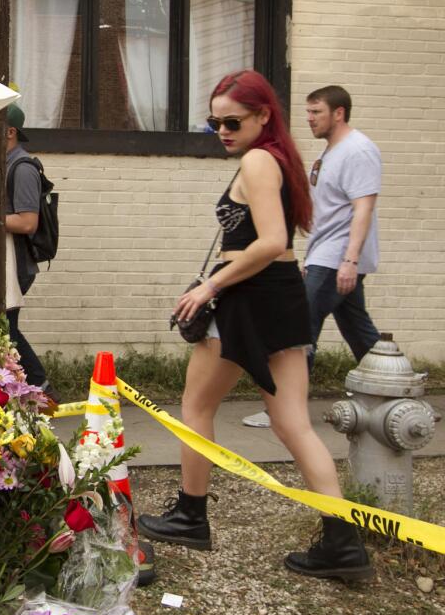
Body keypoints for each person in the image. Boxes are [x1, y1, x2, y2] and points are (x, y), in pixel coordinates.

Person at [139, 70, 372, 582]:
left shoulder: (259, 159)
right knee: (292, 423)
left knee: (196, 407)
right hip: (281, 295)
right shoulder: (280, 158)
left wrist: (211, 287)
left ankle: (191, 515)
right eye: (214, 121)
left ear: (264, 115)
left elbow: (267, 242)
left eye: (232, 120)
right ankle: (343, 542)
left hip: (249, 296)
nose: (221, 129)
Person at [243, 85, 381, 428]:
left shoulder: (358, 150)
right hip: (326, 254)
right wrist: (314, 255)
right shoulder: (331, 152)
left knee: (298, 327)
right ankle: (399, 394)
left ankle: (284, 409)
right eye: (307, 112)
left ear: (339, 113)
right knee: (358, 329)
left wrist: (349, 260)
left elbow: (363, 208)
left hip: (339, 257)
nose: (309, 119)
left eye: (316, 112)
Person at [3, 102, 48, 389]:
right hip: (6, 263)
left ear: (9, 132)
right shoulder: (7, 164)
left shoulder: (22, 169)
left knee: (8, 332)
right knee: (7, 330)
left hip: (16, 265)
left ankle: (39, 384)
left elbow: (28, 223)